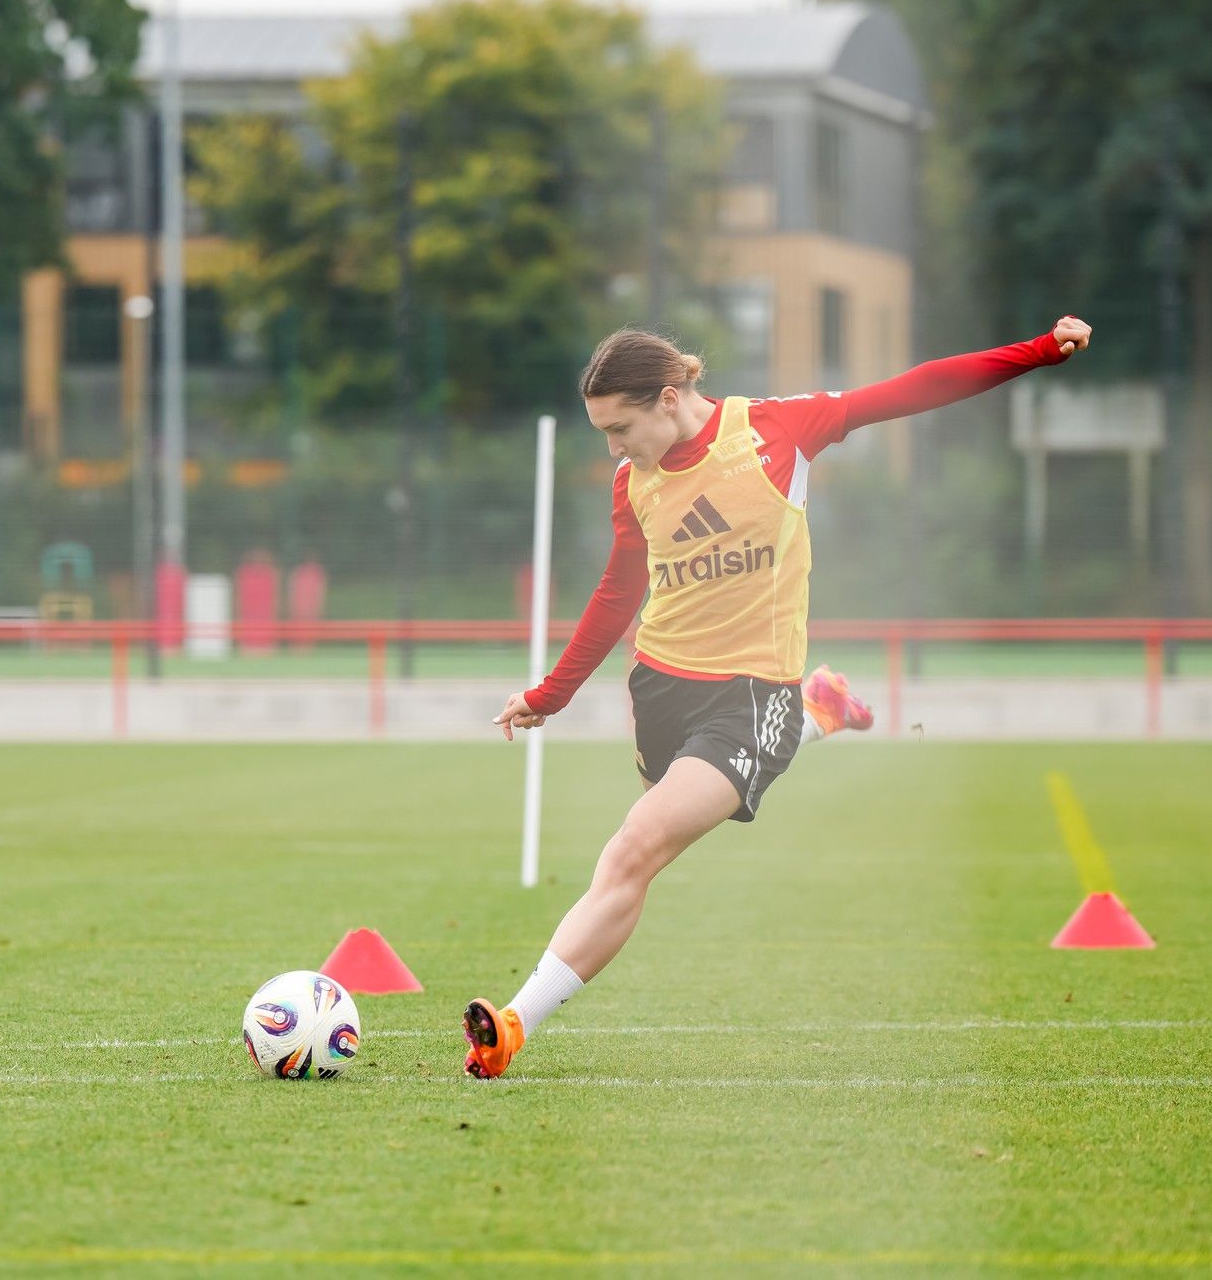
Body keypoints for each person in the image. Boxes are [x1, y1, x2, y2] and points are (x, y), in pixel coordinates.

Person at [462, 315, 1094, 1079]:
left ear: (670, 398)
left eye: (620, 428)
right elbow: (618, 589)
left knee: (633, 849)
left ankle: (511, 1024)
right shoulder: (635, 483)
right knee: (658, 823)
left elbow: (915, 388)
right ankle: (821, 712)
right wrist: (550, 694)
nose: (613, 449)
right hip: (660, 685)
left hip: (752, 690)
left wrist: (1037, 351)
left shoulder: (775, 431)